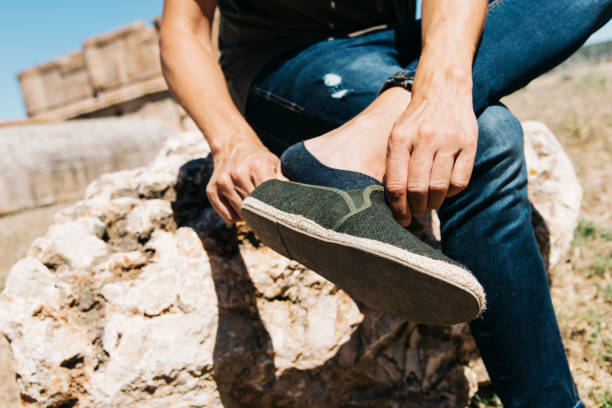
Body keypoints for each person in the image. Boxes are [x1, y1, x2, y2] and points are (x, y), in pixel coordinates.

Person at [159, 0, 611, 406]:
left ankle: (361, 139)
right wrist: (232, 140)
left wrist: (440, 87)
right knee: (489, 138)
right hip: (283, 65)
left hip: (397, 43)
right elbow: (185, 28)